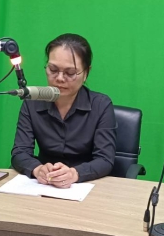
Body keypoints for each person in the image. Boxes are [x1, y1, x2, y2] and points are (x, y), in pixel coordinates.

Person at [11, 34, 116, 187]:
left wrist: (75, 173)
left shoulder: (101, 105)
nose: (60, 78)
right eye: (53, 69)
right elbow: (19, 153)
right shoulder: (32, 103)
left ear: (86, 73)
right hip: (44, 184)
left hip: (85, 185)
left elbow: (105, 159)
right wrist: (37, 169)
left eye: (70, 73)